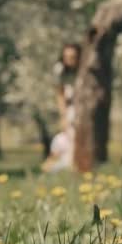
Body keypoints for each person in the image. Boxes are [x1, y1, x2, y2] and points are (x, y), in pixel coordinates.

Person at [42, 44, 81, 173]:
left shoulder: (83, 73)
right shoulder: (61, 73)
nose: (70, 60)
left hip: (82, 111)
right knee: (66, 138)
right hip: (71, 111)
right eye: (67, 57)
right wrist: (63, 116)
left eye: (73, 57)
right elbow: (60, 96)